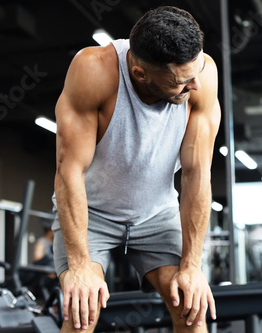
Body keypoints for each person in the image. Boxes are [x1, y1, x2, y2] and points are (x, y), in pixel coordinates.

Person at [52, 6, 221, 332]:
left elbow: (196, 175)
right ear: (141, 74)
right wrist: (80, 266)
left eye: (196, 71)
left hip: (156, 214)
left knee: (190, 307)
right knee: (82, 313)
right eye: (182, 81)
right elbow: (68, 171)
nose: (195, 86)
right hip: (92, 213)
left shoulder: (203, 76)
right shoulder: (94, 71)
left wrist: (192, 265)